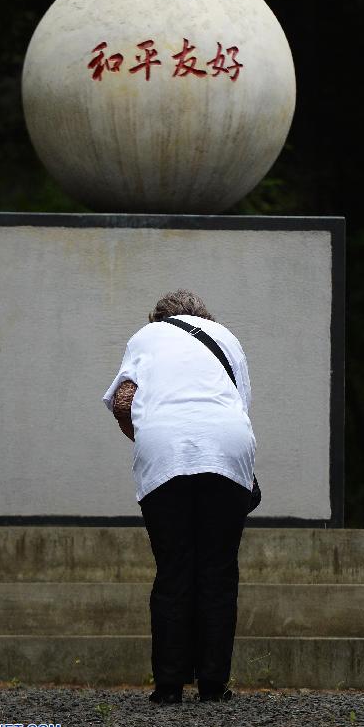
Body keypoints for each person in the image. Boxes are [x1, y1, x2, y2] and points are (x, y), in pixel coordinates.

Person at [102, 289, 257, 705]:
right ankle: (212, 685)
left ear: (159, 317)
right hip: (226, 451)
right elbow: (239, 406)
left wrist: (148, 437)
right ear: (202, 315)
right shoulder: (226, 337)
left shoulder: (147, 337)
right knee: (218, 570)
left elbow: (124, 401)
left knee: (173, 568)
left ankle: (168, 687)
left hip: (164, 452)